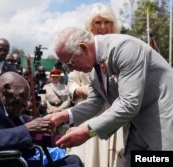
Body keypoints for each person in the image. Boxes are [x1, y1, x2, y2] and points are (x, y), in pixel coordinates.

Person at [46, 26, 173, 167]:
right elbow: (95, 101)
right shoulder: (95, 71)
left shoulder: (125, 49)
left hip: (162, 122)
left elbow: (129, 104)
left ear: (83, 48)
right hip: (136, 129)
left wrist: (87, 132)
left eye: (71, 63)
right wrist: (64, 115)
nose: (72, 69)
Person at [0, 72, 83, 167]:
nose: (26, 104)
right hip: (1, 162)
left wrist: (56, 139)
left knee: (73, 161)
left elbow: (31, 136)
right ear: (6, 90)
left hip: (19, 159)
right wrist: (26, 130)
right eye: (22, 97)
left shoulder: (11, 109)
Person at [67, 3, 124, 167]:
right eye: (98, 23)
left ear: (114, 25)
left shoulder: (120, 47)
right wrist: (79, 90)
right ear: (91, 25)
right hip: (87, 112)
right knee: (87, 157)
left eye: (107, 22)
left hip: (112, 110)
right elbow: (71, 81)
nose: (103, 27)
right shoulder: (80, 49)